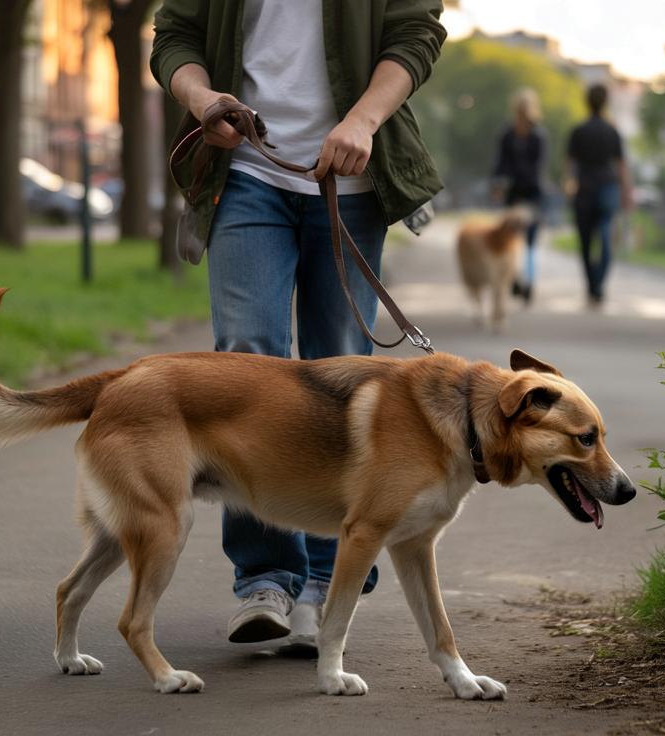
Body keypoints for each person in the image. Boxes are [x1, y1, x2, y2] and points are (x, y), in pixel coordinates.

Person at [151, 1, 446, 650]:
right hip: (247, 169)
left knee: (340, 370)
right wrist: (202, 99)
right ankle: (266, 576)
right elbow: (173, 36)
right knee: (247, 359)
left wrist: (363, 121)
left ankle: (324, 581)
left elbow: (418, 32)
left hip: (353, 174)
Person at [566, 84, 633, 305]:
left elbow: (569, 166)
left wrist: (569, 187)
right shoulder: (612, 131)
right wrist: (626, 193)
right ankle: (599, 283)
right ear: (605, 103)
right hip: (607, 189)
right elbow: (621, 166)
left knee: (585, 242)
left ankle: (591, 284)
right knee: (605, 236)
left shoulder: (578, 131)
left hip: (584, 189)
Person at [492, 88, 547, 305]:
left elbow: (535, 167)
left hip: (529, 194)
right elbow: (501, 164)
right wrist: (498, 184)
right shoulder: (509, 134)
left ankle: (527, 282)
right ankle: (515, 279)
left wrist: (507, 179)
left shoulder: (537, 136)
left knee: (528, 241)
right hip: (516, 194)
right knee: (513, 239)